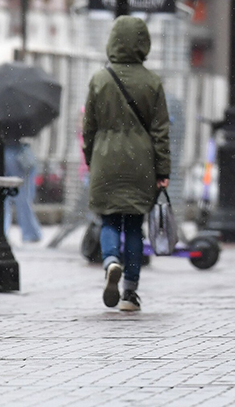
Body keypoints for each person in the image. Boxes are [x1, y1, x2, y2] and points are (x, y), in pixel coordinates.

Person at [82, 16, 171, 313]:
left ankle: (110, 260)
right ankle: (130, 293)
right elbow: (161, 131)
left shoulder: (100, 79)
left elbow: (88, 127)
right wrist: (163, 170)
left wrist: (91, 157)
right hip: (141, 163)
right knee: (134, 225)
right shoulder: (152, 82)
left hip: (105, 158)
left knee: (108, 219)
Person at [3, 135, 43, 243]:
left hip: (5, 151)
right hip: (17, 153)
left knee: (5, 196)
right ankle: (30, 233)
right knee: (22, 196)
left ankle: (4, 230)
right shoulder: (20, 128)